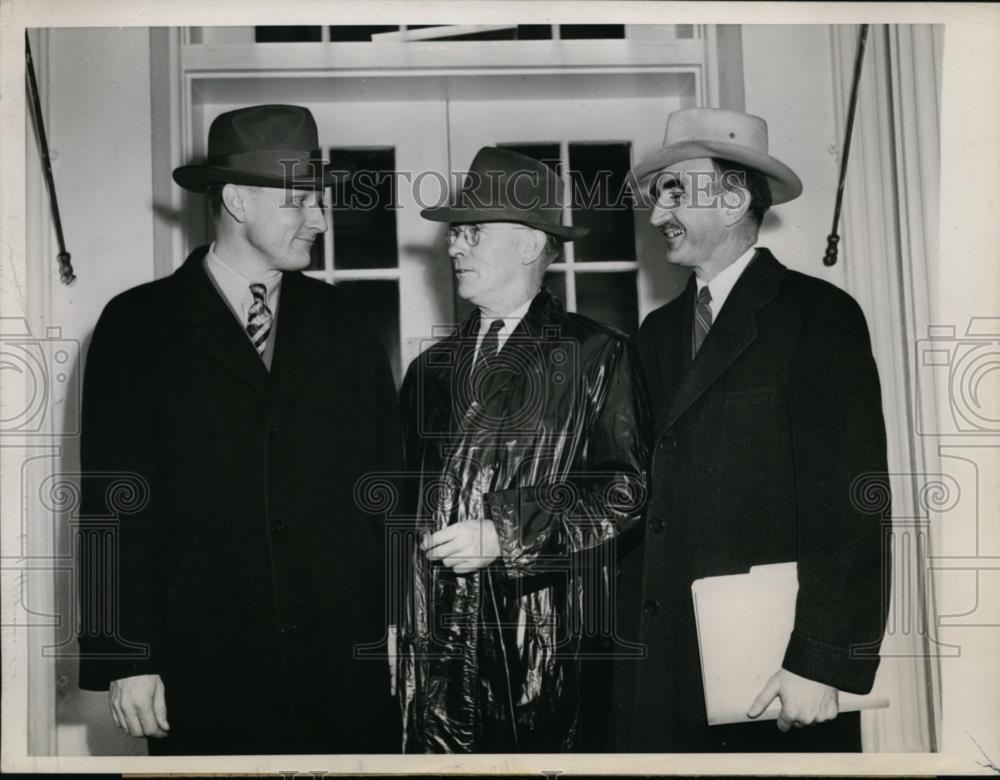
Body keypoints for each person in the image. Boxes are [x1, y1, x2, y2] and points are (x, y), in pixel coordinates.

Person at [77, 104, 401, 754]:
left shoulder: (348, 322)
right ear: (235, 199)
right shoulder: (136, 326)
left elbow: (388, 479)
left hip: (344, 666)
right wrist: (127, 657)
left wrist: (400, 619)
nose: (318, 217)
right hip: (204, 671)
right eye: (298, 201)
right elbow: (113, 501)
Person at [610, 108, 891, 752]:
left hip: (772, 672)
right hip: (667, 657)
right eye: (657, 196)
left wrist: (821, 659)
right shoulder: (655, 333)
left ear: (734, 199)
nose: (657, 215)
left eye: (676, 192)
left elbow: (853, 504)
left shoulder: (819, 316)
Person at [396, 147, 648, 752]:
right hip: (433, 650)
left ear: (532, 244)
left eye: (472, 233)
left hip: (538, 648)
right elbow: (400, 511)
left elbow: (625, 490)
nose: (454, 247)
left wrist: (503, 533)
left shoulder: (595, 353)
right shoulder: (427, 370)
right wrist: (393, 624)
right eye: (455, 234)